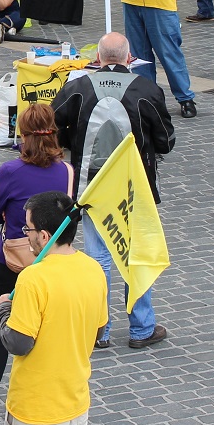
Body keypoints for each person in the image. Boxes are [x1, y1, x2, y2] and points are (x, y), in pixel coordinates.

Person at [52, 31, 174, 350]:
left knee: (98, 257)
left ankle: (99, 329)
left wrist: (70, 142)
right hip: (135, 187)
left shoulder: (77, 87)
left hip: (90, 187)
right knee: (136, 255)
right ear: (129, 58)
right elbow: (166, 141)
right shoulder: (146, 89)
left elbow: (51, 124)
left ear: (98, 58)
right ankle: (141, 327)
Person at [0, 106, 76, 425]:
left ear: (23, 133)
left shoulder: (11, 170)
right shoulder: (67, 172)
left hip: (11, 261)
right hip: (51, 262)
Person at [0, 190, 109, 425]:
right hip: (75, 401)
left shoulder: (33, 278)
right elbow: (99, 328)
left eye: (28, 229)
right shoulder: (93, 269)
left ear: (44, 236)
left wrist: (3, 310)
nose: (26, 235)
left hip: (35, 409)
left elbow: (18, 342)